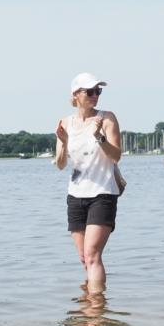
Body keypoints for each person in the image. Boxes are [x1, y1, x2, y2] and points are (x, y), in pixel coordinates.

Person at [54, 72, 123, 294]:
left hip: (103, 193)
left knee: (93, 255)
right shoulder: (65, 123)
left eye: (98, 91)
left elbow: (116, 156)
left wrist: (99, 137)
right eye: (90, 91)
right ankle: (91, 302)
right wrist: (64, 142)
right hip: (76, 195)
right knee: (85, 258)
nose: (95, 95)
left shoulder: (107, 118)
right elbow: (60, 164)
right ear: (76, 94)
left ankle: (96, 307)